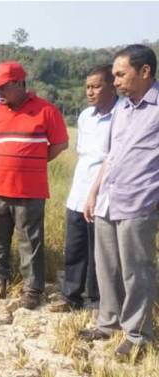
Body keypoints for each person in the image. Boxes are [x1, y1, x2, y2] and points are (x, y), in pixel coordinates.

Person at [82, 45, 159, 358]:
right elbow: (110, 156)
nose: (115, 81)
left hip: (140, 202)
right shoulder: (123, 110)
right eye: (113, 75)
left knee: (136, 271)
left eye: (120, 74)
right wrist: (94, 190)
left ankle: (138, 335)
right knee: (107, 266)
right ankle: (108, 322)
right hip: (109, 200)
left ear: (144, 72)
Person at [0, 61, 69, 307]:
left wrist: (35, 160)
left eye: (3, 87)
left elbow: (60, 144)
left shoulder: (46, 110)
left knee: (30, 241)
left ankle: (33, 290)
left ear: (20, 84)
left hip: (29, 191)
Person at [49, 65, 118, 313]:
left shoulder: (121, 115)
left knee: (99, 252)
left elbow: (112, 158)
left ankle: (98, 301)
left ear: (112, 86)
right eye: (88, 86)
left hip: (104, 194)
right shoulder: (85, 116)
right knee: (75, 247)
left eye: (96, 86)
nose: (90, 91)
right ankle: (71, 296)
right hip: (78, 193)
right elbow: (82, 154)